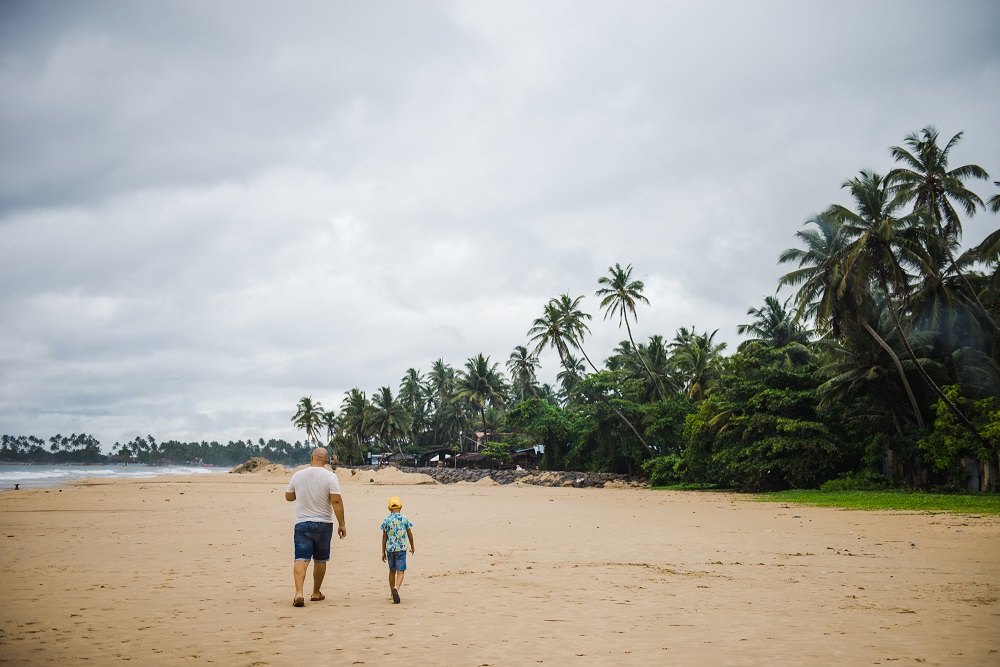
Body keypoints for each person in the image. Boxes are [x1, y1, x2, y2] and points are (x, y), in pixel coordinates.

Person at [285, 447, 346, 607]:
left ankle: (298, 593)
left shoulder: (298, 475)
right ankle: (315, 592)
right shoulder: (331, 477)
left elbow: (288, 496)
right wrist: (342, 524)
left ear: (312, 457)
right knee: (320, 559)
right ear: (326, 460)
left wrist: (302, 492)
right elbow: (336, 501)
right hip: (324, 523)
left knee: (301, 558)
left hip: (302, 523)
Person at [380, 496, 415, 604]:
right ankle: (396, 588)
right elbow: (410, 533)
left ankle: (391, 593)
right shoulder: (404, 519)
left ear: (389, 508)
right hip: (401, 548)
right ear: (401, 507)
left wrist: (382, 551)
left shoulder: (386, 520)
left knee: (392, 570)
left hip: (390, 549)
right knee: (400, 571)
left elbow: (384, 536)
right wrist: (412, 546)